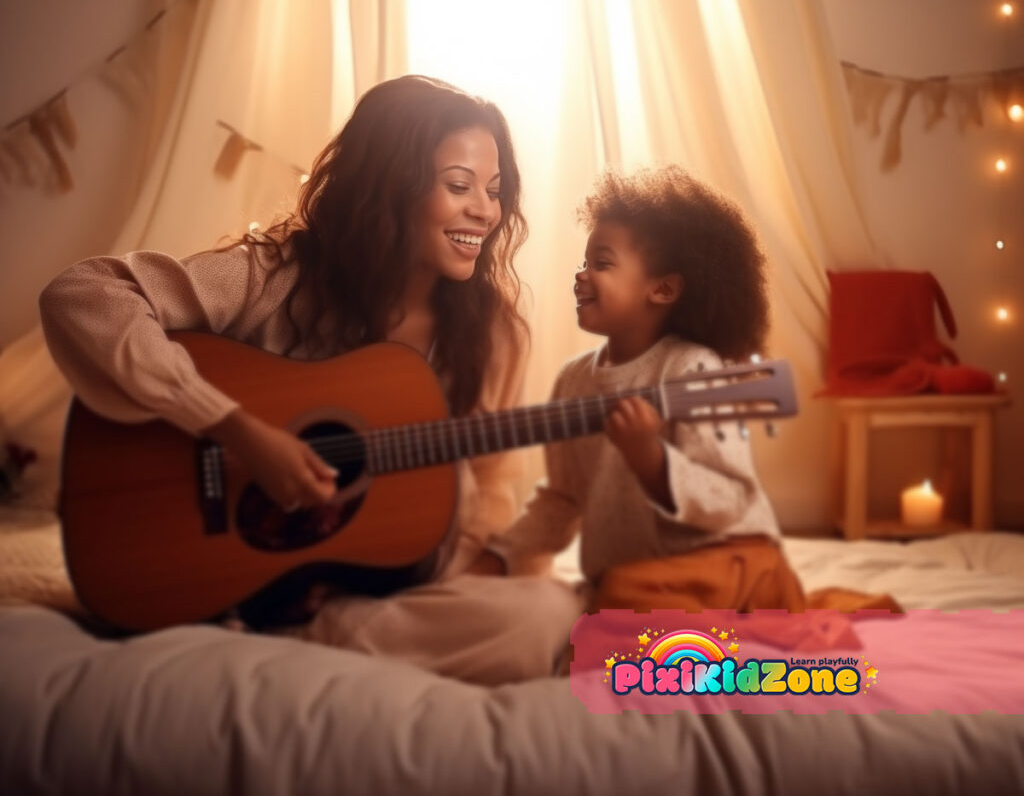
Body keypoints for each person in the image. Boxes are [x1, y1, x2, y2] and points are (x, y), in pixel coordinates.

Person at [39, 75, 583, 684]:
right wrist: (235, 429)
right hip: (218, 555)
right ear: (390, 185)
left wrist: (452, 561)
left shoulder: (493, 333)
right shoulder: (275, 276)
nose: (485, 210)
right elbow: (83, 296)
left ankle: (291, 638)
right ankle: (280, 631)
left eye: (495, 190)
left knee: (551, 609)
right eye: (459, 186)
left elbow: (488, 488)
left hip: (378, 581)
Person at [477, 166, 832, 614]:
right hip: (639, 583)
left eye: (601, 264)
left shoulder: (691, 368)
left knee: (615, 608)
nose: (582, 275)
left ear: (662, 289)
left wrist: (652, 460)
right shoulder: (574, 380)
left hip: (730, 565)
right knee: (595, 603)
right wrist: (502, 555)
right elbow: (563, 497)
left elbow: (731, 498)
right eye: (584, 263)